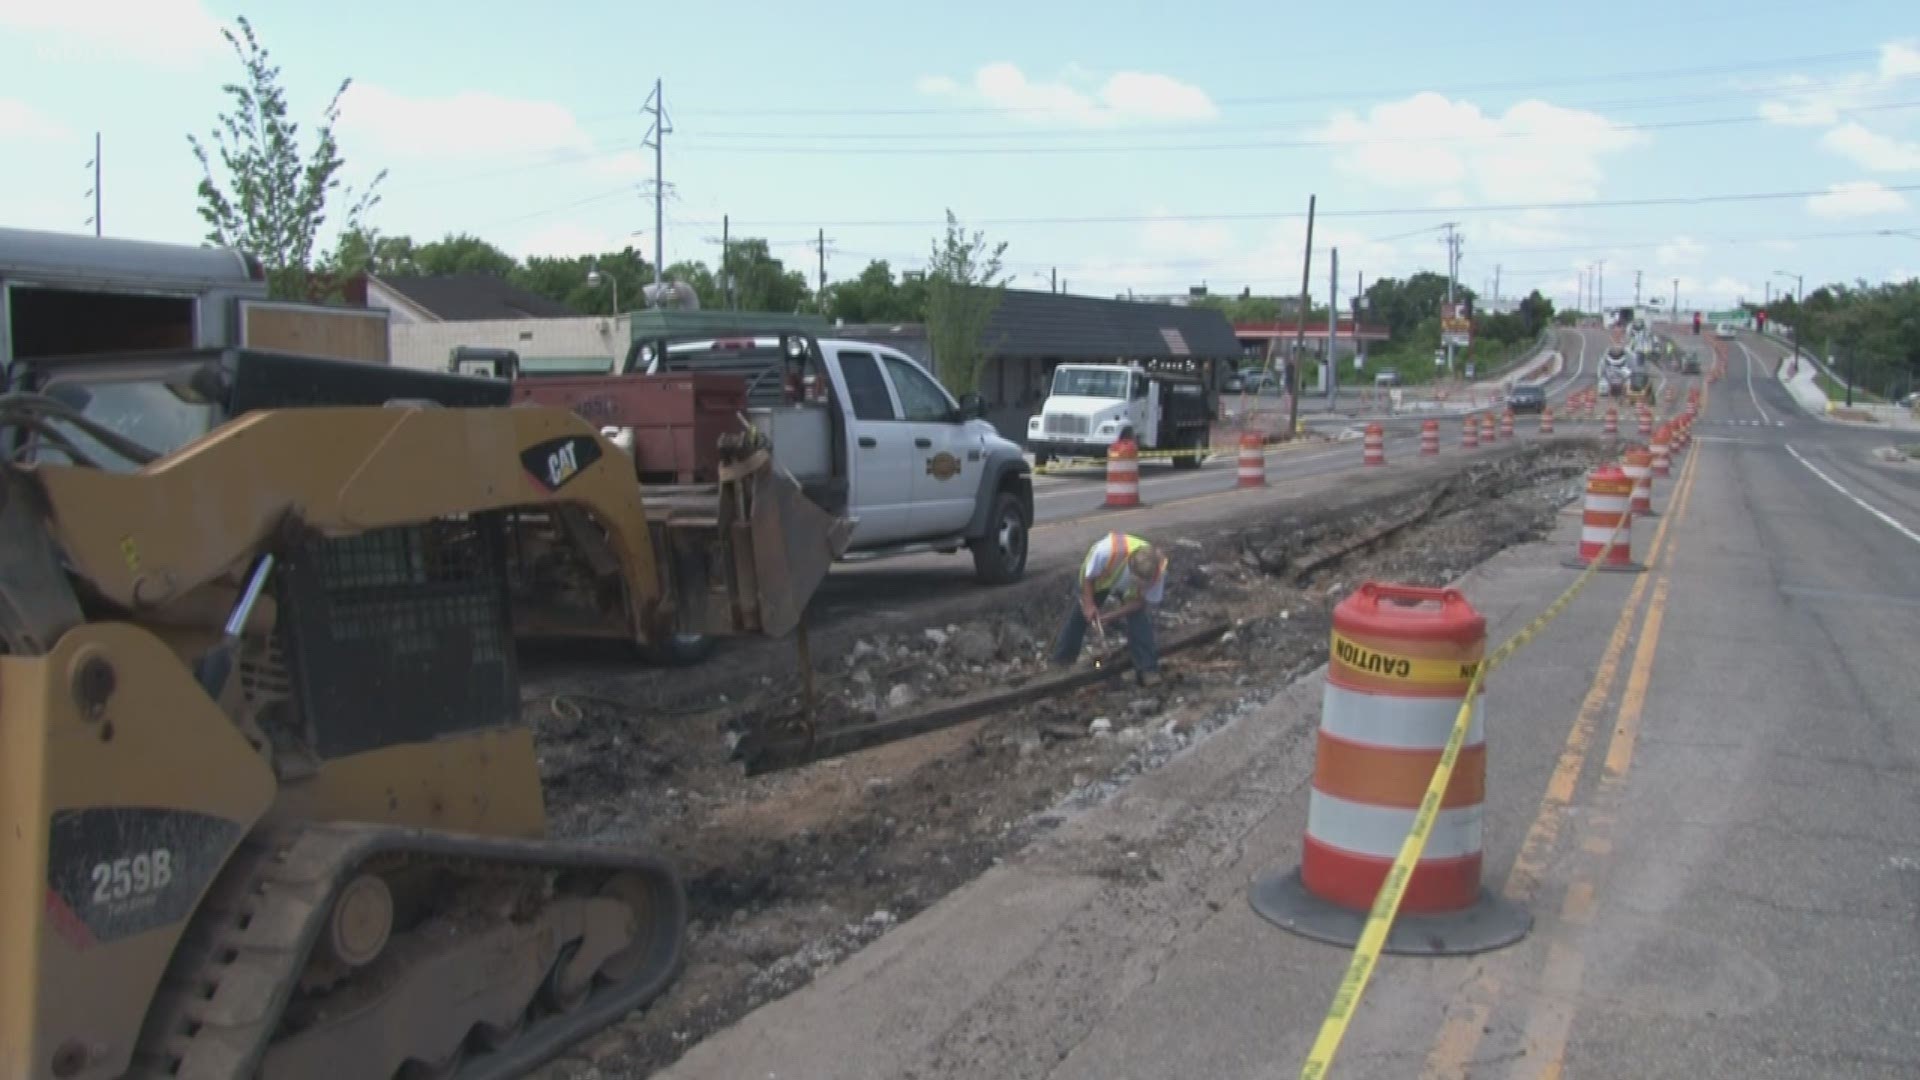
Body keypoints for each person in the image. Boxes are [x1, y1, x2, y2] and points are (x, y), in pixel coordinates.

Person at [1052, 532, 1168, 686]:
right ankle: (1061, 664)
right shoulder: (1106, 553)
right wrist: (1089, 604)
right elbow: (1088, 577)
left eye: (1143, 584)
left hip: (1126, 588)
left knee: (1139, 619)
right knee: (1079, 617)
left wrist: (1110, 616)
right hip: (1100, 578)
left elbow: (1139, 603)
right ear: (1130, 567)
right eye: (1136, 581)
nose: (1140, 585)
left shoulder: (1159, 573)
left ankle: (1147, 668)